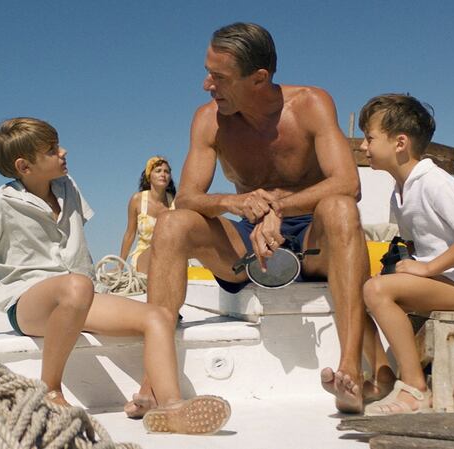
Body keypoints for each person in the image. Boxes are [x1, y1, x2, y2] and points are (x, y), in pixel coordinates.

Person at [0, 117, 230, 434]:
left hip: (80, 295)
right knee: (77, 285)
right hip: (29, 304)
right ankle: (50, 389)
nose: (64, 152)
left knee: (159, 315)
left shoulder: (67, 187)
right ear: (23, 167)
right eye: (52, 150)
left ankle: (170, 407)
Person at [144, 22, 388, 414]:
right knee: (172, 224)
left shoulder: (311, 104)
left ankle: (349, 373)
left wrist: (276, 207)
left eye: (219, 77)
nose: (207, 85)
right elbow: (188, 198)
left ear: (258, 78)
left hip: (314, 238)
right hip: (245, 240)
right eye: (208, 73)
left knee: (341, 207)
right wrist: (235, 203)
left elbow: (348, 183)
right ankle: (153, 381)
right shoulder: (209, 120)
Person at [358, 94, 454, 415]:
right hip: (438, 283)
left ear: (400, 142)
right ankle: (384, 378)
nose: (364, 147)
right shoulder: (399, 193)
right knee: (355, 294)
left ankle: (416, 389)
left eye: (370, 138)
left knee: (375, 289)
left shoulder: (436, 182)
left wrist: (427, 268)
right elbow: (416, 246)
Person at [119, 156, 176, 273]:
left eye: (167, 171)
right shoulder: (137, 200)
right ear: (149, 176)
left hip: (171, 256)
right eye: (158, 171)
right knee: (158, 249)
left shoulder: (176, 203)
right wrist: (120, 266)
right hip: (145, 256)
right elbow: (130, 234)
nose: (163, 174)